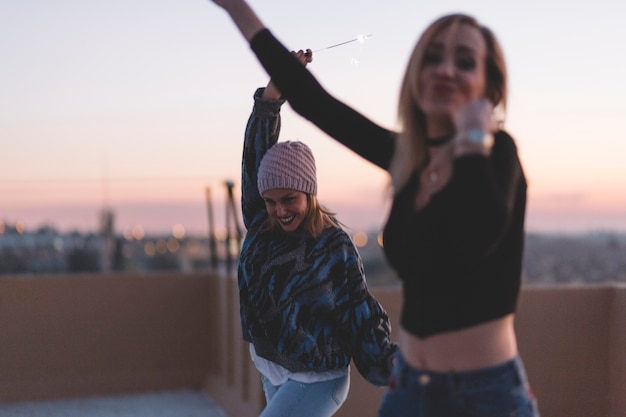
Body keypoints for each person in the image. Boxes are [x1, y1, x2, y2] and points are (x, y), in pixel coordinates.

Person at [211, 2, 540, 416]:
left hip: (484, 393)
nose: (446, 69)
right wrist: (236, 9)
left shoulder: (498, 156)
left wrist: (473, 133)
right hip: (411, 391)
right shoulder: (409, 158)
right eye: (433, 57)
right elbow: (315, 103)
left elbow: (472, 238)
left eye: (465, 60)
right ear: (416, 76)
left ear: (489, 85)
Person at [238, 49, 397, 417]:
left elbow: (362, 317)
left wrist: (412, 371)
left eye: (289, 199)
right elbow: (255, 152)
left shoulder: (333, 247)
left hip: (318, 379)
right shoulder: (262, 223)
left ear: (309, 192)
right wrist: (277, 89)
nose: (279, 210)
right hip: (272, 369)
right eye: (270, 200)